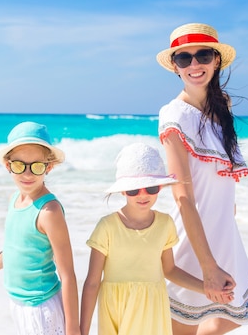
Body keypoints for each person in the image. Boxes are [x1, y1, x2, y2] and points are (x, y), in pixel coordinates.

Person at [156, 23, 248, 335]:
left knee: (228, 316)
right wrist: (208, 266)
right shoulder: (173, 114)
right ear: (175, 67)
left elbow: (222, 178)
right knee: (183, 327)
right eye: (184, 59)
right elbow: (183, 197)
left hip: (224, 231)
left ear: (216, 60)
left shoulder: (222, 107)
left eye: (202, 55)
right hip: (193, 237)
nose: (194, 65)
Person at [80, 143, 226, 335]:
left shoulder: (165, 224)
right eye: (133, 190)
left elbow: (170, 270)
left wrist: (206, 288)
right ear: (123, 191)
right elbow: (92, 282)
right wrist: (82, 330)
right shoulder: (107, 226)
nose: (143, 195)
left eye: (151, 188)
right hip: (116, 308)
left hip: (152, 307)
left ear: (160, 187)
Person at [0, 121, 80, 335]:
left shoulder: (49, 211)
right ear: (8, 165)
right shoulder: (15, 200)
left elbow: (67, 274)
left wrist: (73, 329)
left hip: (41, 309)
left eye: (37, 166)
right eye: (20, 165)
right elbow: (12, 255)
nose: (28, 174)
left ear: (48, 167)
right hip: (19, 306)